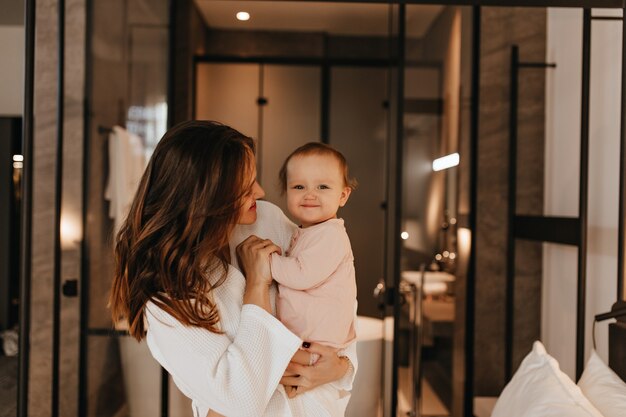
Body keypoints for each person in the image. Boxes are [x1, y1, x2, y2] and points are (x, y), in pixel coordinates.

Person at [109, 121, 356, 417]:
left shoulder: (267, 219)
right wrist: (256, 286)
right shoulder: (169, 298)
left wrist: (341, 366)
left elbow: (334, 299)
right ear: (209, 197)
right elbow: (240, 399)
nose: (262, 191)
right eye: (245, 186)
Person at [270, 143, 358, 392]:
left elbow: (301, 275)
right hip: (308, 339)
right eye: (299, 186)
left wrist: (267, 261)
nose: (310, 194)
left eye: (322, 186)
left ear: (343, 195)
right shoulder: (310, 232)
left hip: (319, 343)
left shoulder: (331, 235)